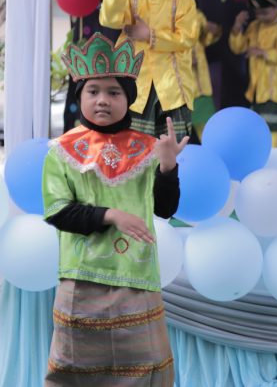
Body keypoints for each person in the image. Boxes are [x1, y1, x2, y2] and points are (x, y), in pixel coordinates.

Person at [43, 33, 187, 386]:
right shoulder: (60, 150)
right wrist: (111, 215)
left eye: (113, 92)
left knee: (144, 366)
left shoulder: (150, 147)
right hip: (82, 277)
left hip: (136, 278)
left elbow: (166, 209)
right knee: (72, 369)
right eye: (93, 91)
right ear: (80, 98)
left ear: (129, 99)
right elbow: (59, 211)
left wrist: (168, 168)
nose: (103, 100)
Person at [99, 0, 198, 141]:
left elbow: (187, 38)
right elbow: (110, 18)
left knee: (173, 157)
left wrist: (150, 35)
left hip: (172, 90)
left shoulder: (183, 0)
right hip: (135, 89)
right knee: (134, 153)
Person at [230, 0, 277, 147]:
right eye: (258, 12)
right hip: (257, 91)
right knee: (259, 132)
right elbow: (237, 47)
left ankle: (271, 166)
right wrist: (237, 27)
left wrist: (264, 53)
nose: (261, 15)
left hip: (276, 91)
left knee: (271, 134)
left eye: (265, 11)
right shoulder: (254, 26)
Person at [170, 0, 222, 141]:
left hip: (199, 86)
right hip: (174, 87)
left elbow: (204, 40)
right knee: (175, 135)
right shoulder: (158, 16)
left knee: (209, 133)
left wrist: (212, 31)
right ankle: (173, 167)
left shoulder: (197, 14)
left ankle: (214, 162)